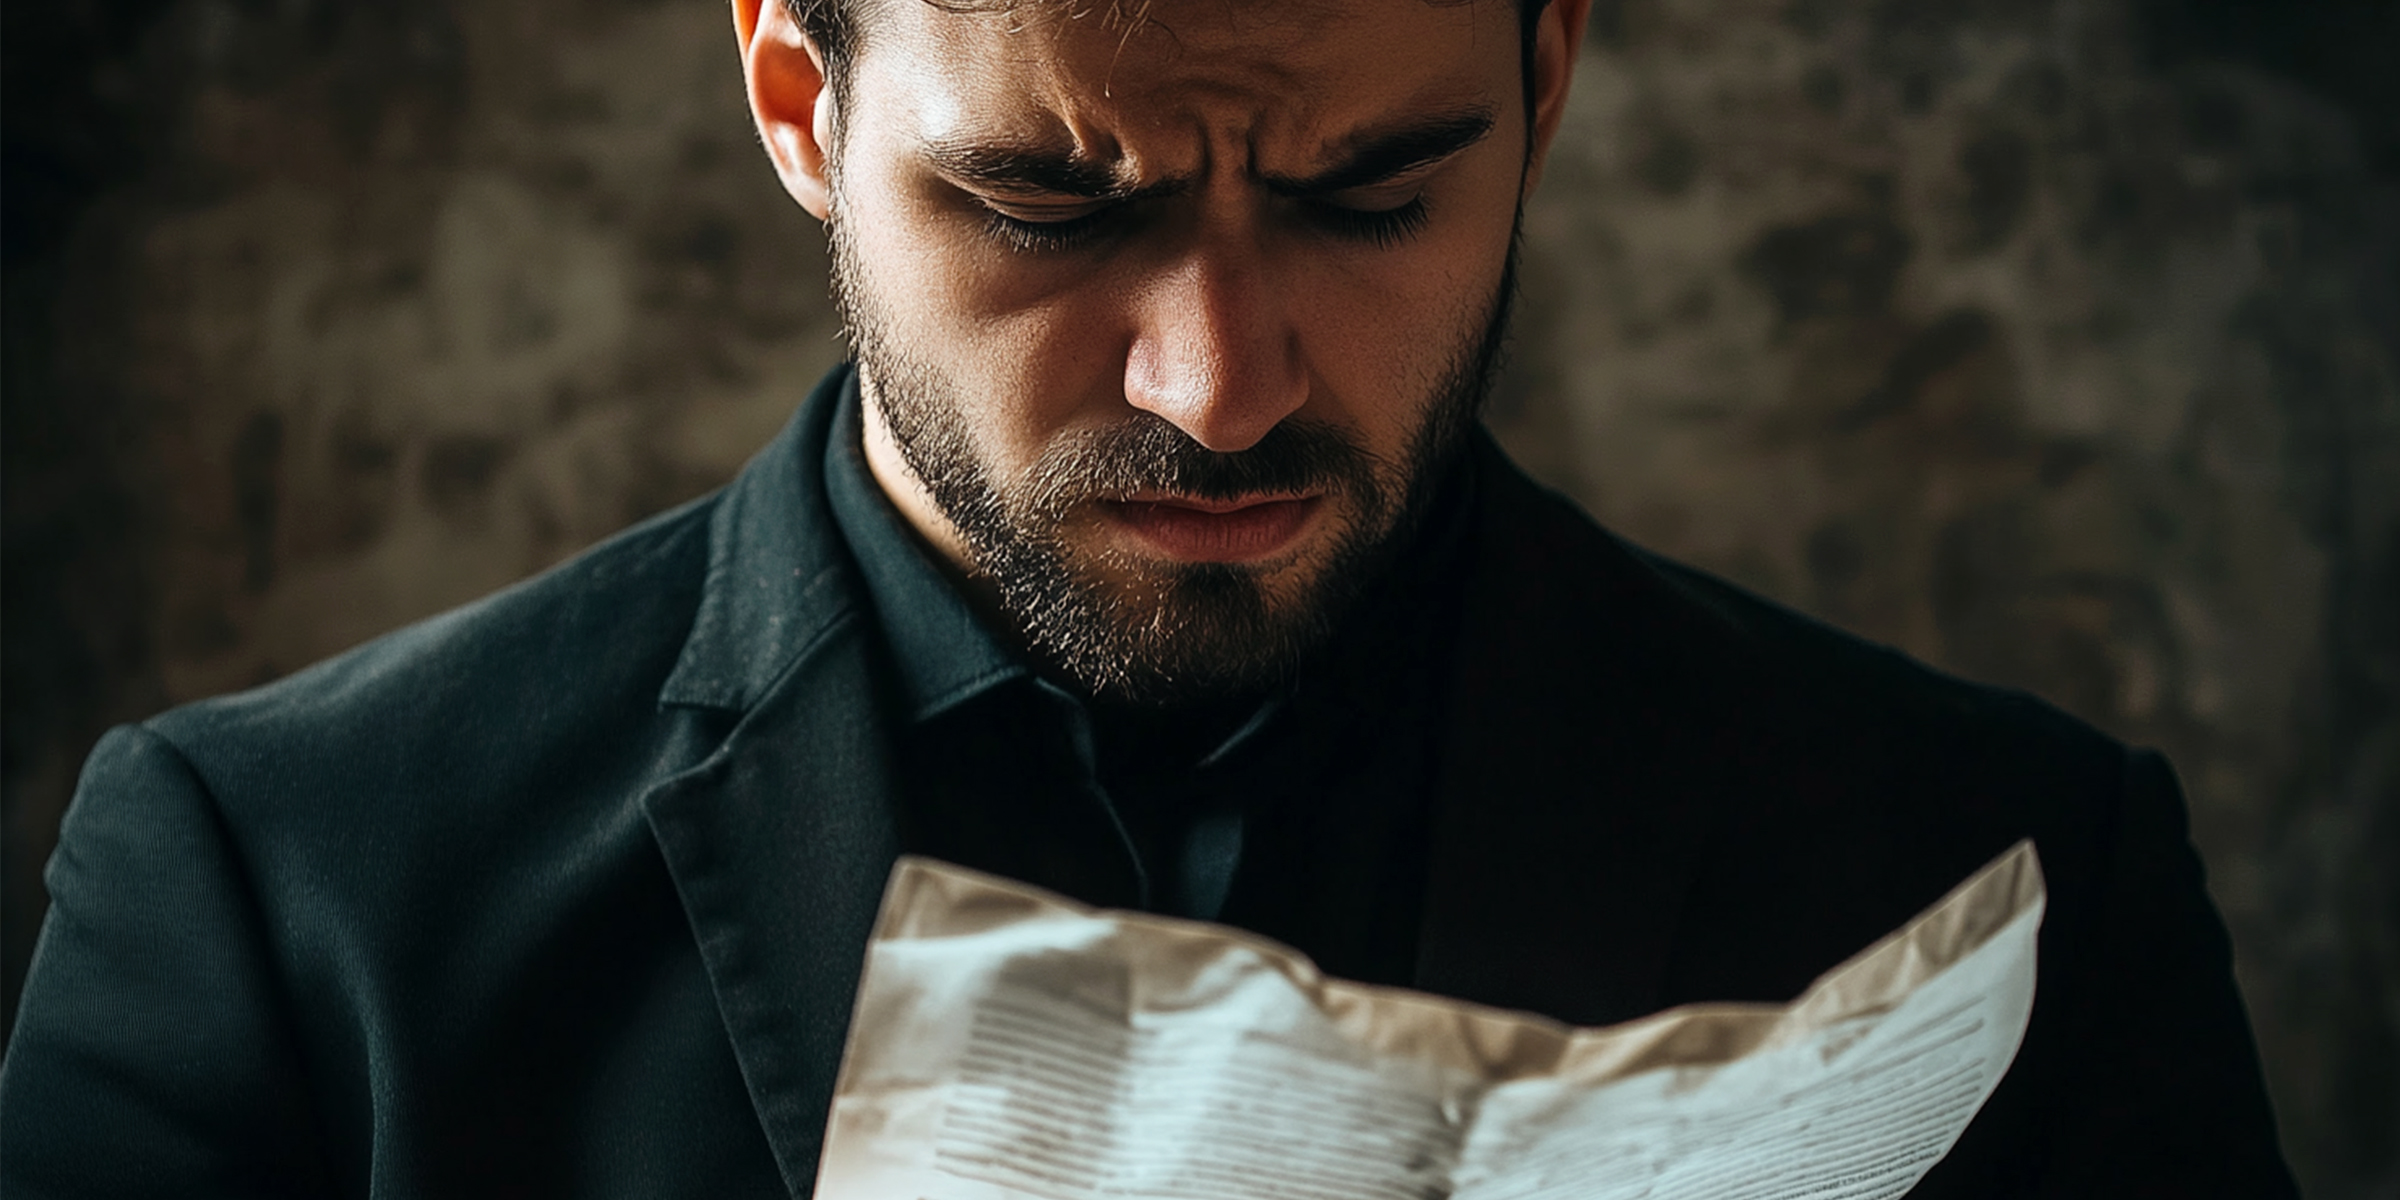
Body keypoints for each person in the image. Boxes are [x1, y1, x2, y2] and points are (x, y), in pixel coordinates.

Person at [0, 0, 2297, 1195]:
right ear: (799, 95)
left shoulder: (2009, 879)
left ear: (1553, 67)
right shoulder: (277, 903)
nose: (1218, 389)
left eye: (1370, 196)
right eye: (1047, 205)